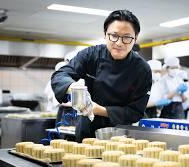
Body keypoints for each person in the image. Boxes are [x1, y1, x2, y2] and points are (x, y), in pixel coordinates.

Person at [51, 10, 152, 142]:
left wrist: (100, 110)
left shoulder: (142, 69)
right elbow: (60, 75)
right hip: (88, 129)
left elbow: (135, 112)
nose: (119, 43)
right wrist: (72, 86)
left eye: (127, 37)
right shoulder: (91, 55)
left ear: (135, 38)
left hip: (123, 133)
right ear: (105, 34)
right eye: (114, 36)